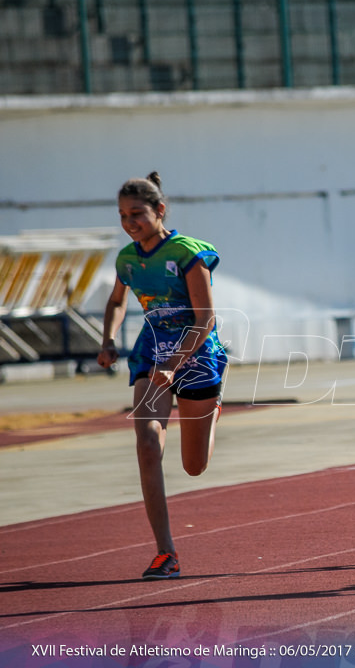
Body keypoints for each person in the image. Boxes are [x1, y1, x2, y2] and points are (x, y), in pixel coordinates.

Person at [97, 172, 227, 579]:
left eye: (137, 213)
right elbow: (116, 301)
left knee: (194, 466)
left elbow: (205, 319)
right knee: (148, 443)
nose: (130, 222)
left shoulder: (188, 253)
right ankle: (165, 552)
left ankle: (210, 410)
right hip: (152, 354)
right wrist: (109, 339)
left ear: (160, 210)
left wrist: (176, 365)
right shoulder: (127, 259)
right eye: (122, 215)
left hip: (196, 354)